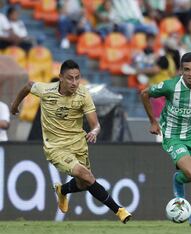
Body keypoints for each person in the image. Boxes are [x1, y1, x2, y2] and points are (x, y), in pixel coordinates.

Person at [10, 59, 132, 223]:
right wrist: (14, 105)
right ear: (60, 77)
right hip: (56, 147)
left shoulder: (83, 95)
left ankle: (63, 190)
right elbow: (28, 86)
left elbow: (96, 125)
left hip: (78, 145)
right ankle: (119, 210)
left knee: (83, 184)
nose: (74, 82)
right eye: (70, 78)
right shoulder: (46, 90)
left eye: (77, 78)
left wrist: (94, 131)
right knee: (86, 175)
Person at [140, 52, 191, 227]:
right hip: (172, 135)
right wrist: (153, 122)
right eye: (187, 70)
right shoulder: (171, 86)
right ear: (180, 71)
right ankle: (179, 179)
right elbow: (144, 93)